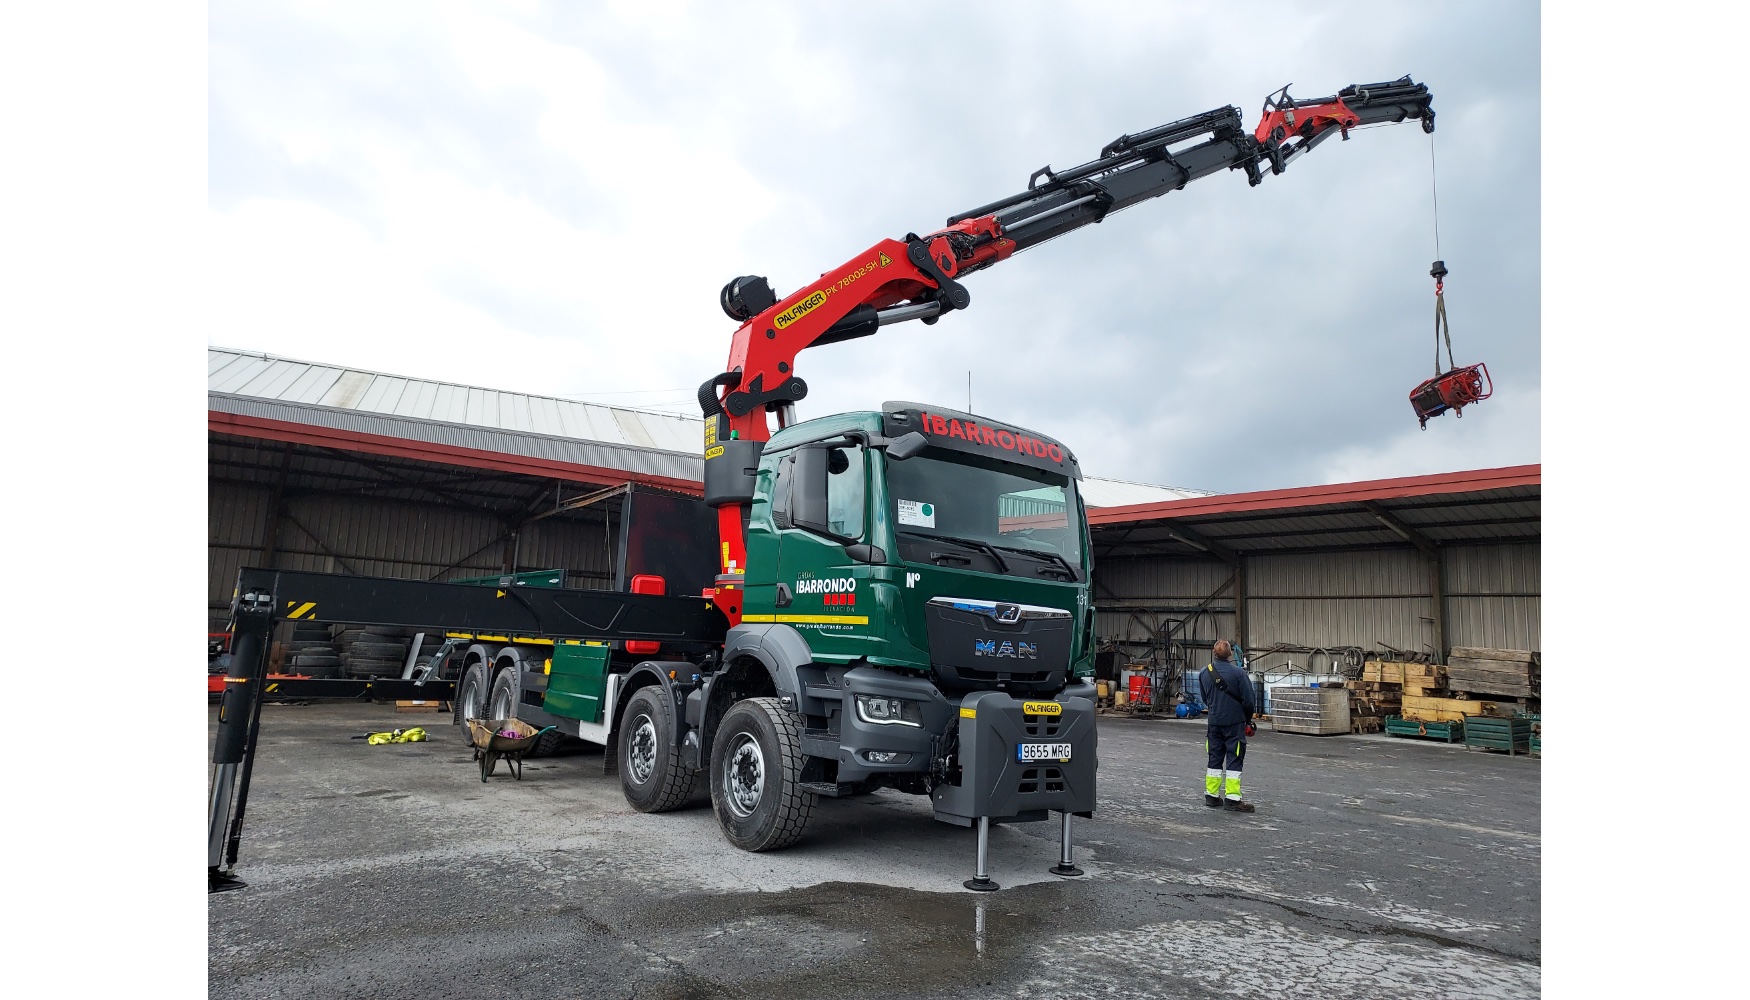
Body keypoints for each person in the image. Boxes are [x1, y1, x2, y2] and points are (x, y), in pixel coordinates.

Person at [1199, 639, 1257, 813]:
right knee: (1234, 757)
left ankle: (1211, 796)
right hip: (1234, 723)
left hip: (1214, 723)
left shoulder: (1204, 672)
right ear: (1230, 653)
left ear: (1213, 653)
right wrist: (1247, 720)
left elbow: (1204, 698)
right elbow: (1249, 701)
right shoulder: (1238, 673)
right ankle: (1232, 799)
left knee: (1214, 758)